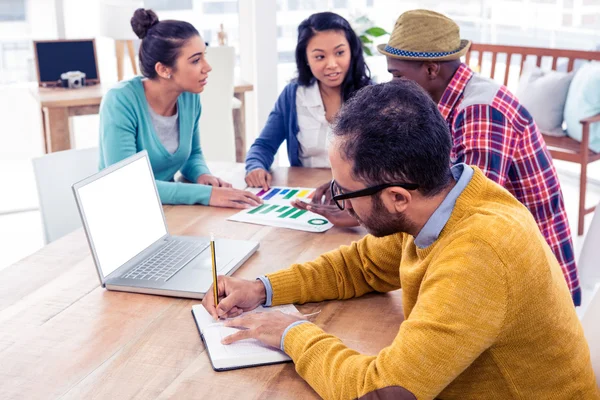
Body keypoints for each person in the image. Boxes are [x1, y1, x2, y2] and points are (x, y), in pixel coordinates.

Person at [203, 81, 599, 400]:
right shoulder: (443, 198)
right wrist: (262, 289)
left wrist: (291, 333)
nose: (338, 202)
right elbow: (360, 265)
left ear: (396, 198)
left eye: (344, 192)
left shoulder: (480, 252)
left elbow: (382, 392)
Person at [298, 9, 580, 306]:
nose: (393, 85)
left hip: (533, 283)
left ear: (431, 70)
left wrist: (365, 209)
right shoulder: (444, 101)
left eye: (398, 75)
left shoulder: (481, 111)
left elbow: (465, 213)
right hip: (494, 257)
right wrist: (352, 186)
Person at [99, 8, 261, 209]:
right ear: (163, 69)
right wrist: (207, 194)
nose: (207, 67)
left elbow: (192, 154)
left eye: (204, 55)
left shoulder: (189, 98)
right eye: (195, 60)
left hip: (167, 209)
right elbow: (129, 185)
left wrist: (203, 175)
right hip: (122, 212)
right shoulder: (121, 101)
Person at [244, 12, 371, 190]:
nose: (332, 64)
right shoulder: (293, 95)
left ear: (352, 51)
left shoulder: (372, 96)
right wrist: (255, 167)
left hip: (355, 194)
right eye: (320, 56)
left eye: (340, 52)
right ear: (306, 59)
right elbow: (264, 146)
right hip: (306, 190)